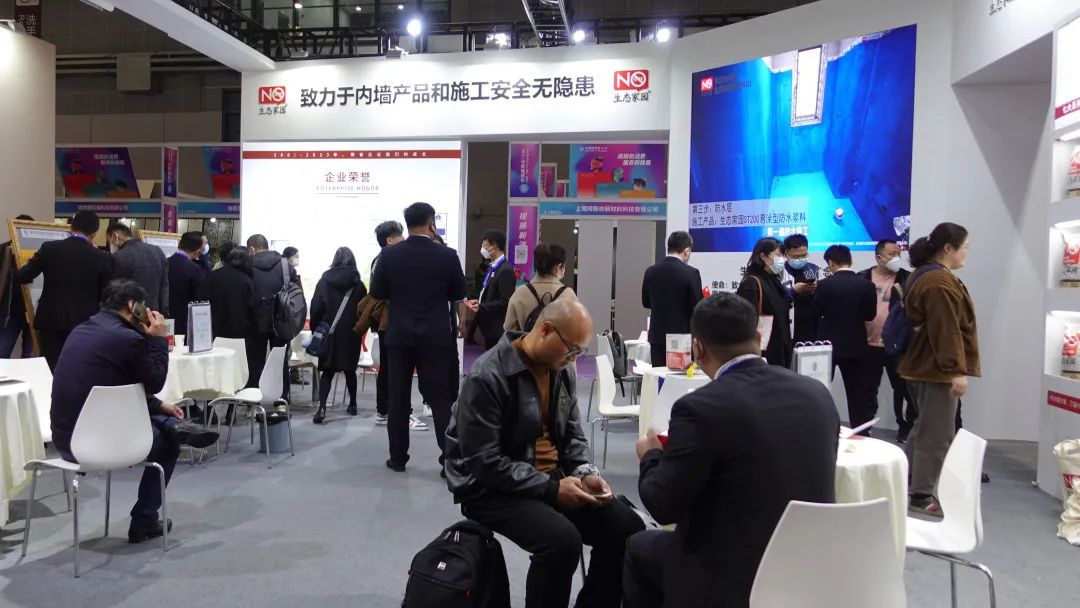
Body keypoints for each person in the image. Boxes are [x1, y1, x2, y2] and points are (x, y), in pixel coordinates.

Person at [624, 293, 840, 608]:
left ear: (697, 348)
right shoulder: (817, 393)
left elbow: (663, 505)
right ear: (759, 337)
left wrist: (650, 455)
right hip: (809, 569)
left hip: (729, 576)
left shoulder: (700, 407)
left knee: (638, 547)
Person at [444, 299, 644, 608]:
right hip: (489, 488)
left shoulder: (561, 370)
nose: (574, 358)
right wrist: (551, 489)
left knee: (626, 528)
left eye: (580, 352)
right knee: (561, 542)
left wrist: (584, 471)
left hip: (550, 479)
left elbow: (573, 434)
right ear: (546, 330)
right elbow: (484, 462)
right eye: (571, 349)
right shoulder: (487, 376)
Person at [50, 279, 218, 542]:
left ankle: (171, 425)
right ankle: (145, 521)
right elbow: (155, 381)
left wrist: (158, 405)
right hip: (96, 443)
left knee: (154, 415)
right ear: (133, 305)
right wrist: (158, 339)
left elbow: (113, 387)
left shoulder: (82, 330)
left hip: (65, 437)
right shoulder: (128, 339)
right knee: (169, 445)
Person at [370, 203, 466, 472]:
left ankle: (398, 458)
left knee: (398, 398)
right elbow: (457, 293)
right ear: (431, 222)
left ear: (407, 223)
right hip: (436, 336)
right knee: (440, 399)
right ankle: (449, 460)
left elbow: (377, 292)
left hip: (400, 336)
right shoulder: (448, 255)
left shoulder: (389, 255)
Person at [899, 222, 979, 517]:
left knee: (924, 428)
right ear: (948, 248)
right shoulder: (937, 282)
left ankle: (902, 479)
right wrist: (955, 371)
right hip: (934, 370)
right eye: (965, 247)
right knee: (937, 434)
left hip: (925, 367)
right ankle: (921, 495)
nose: (966, 253)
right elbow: (946, 331)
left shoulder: (930, 276)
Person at [16, 210, 115, 370]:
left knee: (50, 370)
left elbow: (23, 276)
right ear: (94, 234)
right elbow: (107, 293)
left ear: (71, 227)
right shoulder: (102, 258)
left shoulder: (49, 248)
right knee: (78, 368)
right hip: (84, 325)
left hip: (51, 322)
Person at [811, 244, 877, 434]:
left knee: (821, 390)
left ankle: (820, 430)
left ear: (831, 263)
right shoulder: (867, 285)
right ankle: (861, 433)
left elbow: (815, 312)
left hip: (827, 346)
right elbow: (870, 315)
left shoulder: (825, 285)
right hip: (856, 345)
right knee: (858, 394)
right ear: (851, 260)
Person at [859, 239, 915, 442]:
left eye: (898, 253)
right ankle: (864, 429)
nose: (896, 257)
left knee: (904, 389)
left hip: (897, 347)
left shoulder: (907, 279)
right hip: (868, 344)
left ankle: (906, 428)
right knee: (867, 390)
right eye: (891, 254)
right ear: (879, 257)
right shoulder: (862, 278)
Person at [368, 220, 421, 428]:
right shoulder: (387, 260)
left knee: (389, 367)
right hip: (392, 320)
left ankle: (384, 411)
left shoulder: (380, 259)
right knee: (396, 368)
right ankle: (400, 412)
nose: (404, 239)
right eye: (400, 236)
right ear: (389, 239)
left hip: (388, 321)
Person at [309, 247, 367, 424]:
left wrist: (316, 329)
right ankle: (353, 404)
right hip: (351, 333)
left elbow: (316, 307)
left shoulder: (324, 281)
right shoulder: (359, 285)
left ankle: (322, 408)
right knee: (350, 369)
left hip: (329, 331)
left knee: (328, 371)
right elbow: (364, 311)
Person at [641, 231, 704, 367]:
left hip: (657, 337)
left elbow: (646, 303)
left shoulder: (650, 271)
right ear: (686, 251)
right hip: (681, 338)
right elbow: (698, 307)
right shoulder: (691, 273)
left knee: (659, 375)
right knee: (680, 376)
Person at [247, 234, 297, 400]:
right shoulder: (285, 265)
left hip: (254, 320)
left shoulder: (247, 265)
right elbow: (295, 292)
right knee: (280, 360)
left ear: (252, 248)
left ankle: (254, 398)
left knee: (255, 361)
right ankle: (282, 399)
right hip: (281, 319)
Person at [735, 237, 792, 368]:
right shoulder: (752, 282)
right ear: (763, 256)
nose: (782, 259)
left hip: (780, 346)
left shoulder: (774, 280)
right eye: (778, 255)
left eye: (783, 255)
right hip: (764, 351)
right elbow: (746, 322)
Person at [504, 243, 578, 332]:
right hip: (558, 341)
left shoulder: (520, 293)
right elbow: (577, 329)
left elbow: (508, 328)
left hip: (527, 341)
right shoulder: (568, 294)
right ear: (559, 267)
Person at [465, 229, 515, 351]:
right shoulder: (492, 266)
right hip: (489, 326)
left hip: (497, 328)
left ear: (494, 247)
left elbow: (505, 302)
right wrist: (479, 302)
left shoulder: (505, 270)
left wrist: (481, 307)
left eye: (484, 246)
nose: (482, 249)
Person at [108, 222, 169, 314]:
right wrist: (163, 312)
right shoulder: (157, 251)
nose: (110, 245)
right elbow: (164, 286)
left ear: (115, 236)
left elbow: (115, 292)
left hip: (130, 314)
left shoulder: (118, 257)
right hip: (154, 313)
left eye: (109, 241)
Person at [197, 246, 255, 341]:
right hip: (239, 331)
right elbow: (252, 307)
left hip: (213, 328)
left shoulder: (213, 275)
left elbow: (201, 299)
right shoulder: (246, 280)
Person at [0, 214, 35, 359]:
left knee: (29, 353)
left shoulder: (38, 252)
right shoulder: (4, 250)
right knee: (3, 350)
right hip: (11, 309)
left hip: (33, 309)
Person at [167, 231, 207, 335]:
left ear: (179, 244)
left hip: (165, 319)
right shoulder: (195, 269)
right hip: (185, 322)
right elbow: (200, 299)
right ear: (197, 251)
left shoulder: (165, 262)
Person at [782, 234, 820, 344]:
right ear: (786, 254)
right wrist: (794, 291)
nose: (800, 259)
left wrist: (817, 289)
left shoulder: (814, 269)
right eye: (796, 257)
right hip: (787, 325)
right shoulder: (778, 272)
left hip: (810, 326)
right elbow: (775, 298)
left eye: (803, 255)